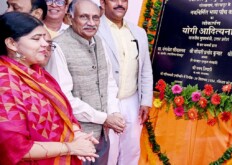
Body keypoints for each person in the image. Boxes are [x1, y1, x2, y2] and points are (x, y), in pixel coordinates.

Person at [0, 12, 99, 165]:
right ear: (12, 44)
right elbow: (15, 148)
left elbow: (63, 111)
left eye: (45, 39)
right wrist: (70, 147)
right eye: (36, 39)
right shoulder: (5, 82)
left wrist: (76, 134)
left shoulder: (37, 72)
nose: (45, 44)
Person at [45, 0, 126, 164]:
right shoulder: (59, 47)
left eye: (95, 18)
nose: (91, 23)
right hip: (75, 138)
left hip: (102, 135)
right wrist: (104, 118)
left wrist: (114, 112)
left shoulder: (100, 42)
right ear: (70, 17)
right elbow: (63, 99)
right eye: (84, 17)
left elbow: (108, 82)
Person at [97, 0, 153, 164]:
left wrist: (145, 101)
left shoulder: (138, 32)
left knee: (132, 150)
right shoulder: (95, 29)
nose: (120, 4)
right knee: (109, 152)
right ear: (103, 2)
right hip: (106, 101)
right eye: (114, 0)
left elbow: (145, 69)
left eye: (124, 0)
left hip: (132, 100)